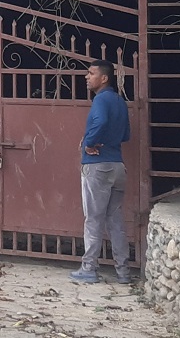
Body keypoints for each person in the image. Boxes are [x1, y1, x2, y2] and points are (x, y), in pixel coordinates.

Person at [70, 60, 132, 285]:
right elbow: (126, 135)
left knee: (93, 219)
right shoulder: (119, 101)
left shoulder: (100, 100)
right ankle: (123, 271)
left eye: (91, 73)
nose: (87, 77)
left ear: (104, 78)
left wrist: (90, 142)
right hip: (118, 166)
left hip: (98, 167)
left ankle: (89, 268)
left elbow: (101, 120)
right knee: (115, 220)